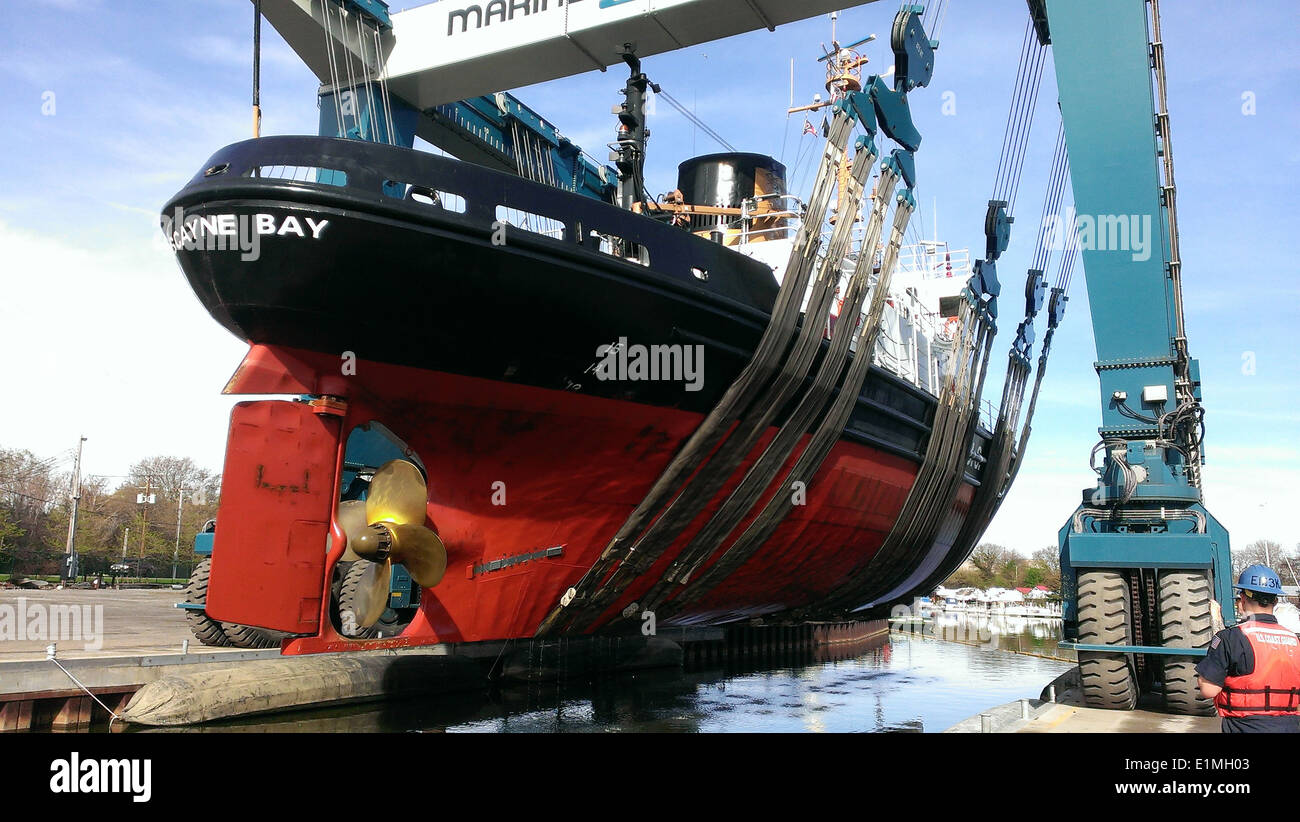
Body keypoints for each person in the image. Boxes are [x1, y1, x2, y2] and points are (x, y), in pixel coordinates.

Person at [1195, 565, 1300, 732]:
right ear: (1275, 601)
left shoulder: (1230, 638)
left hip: (1244, 726)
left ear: (1242, 600)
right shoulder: (1294, 640)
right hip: (1291, 726)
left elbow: (1209, 690)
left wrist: (1202, 678)